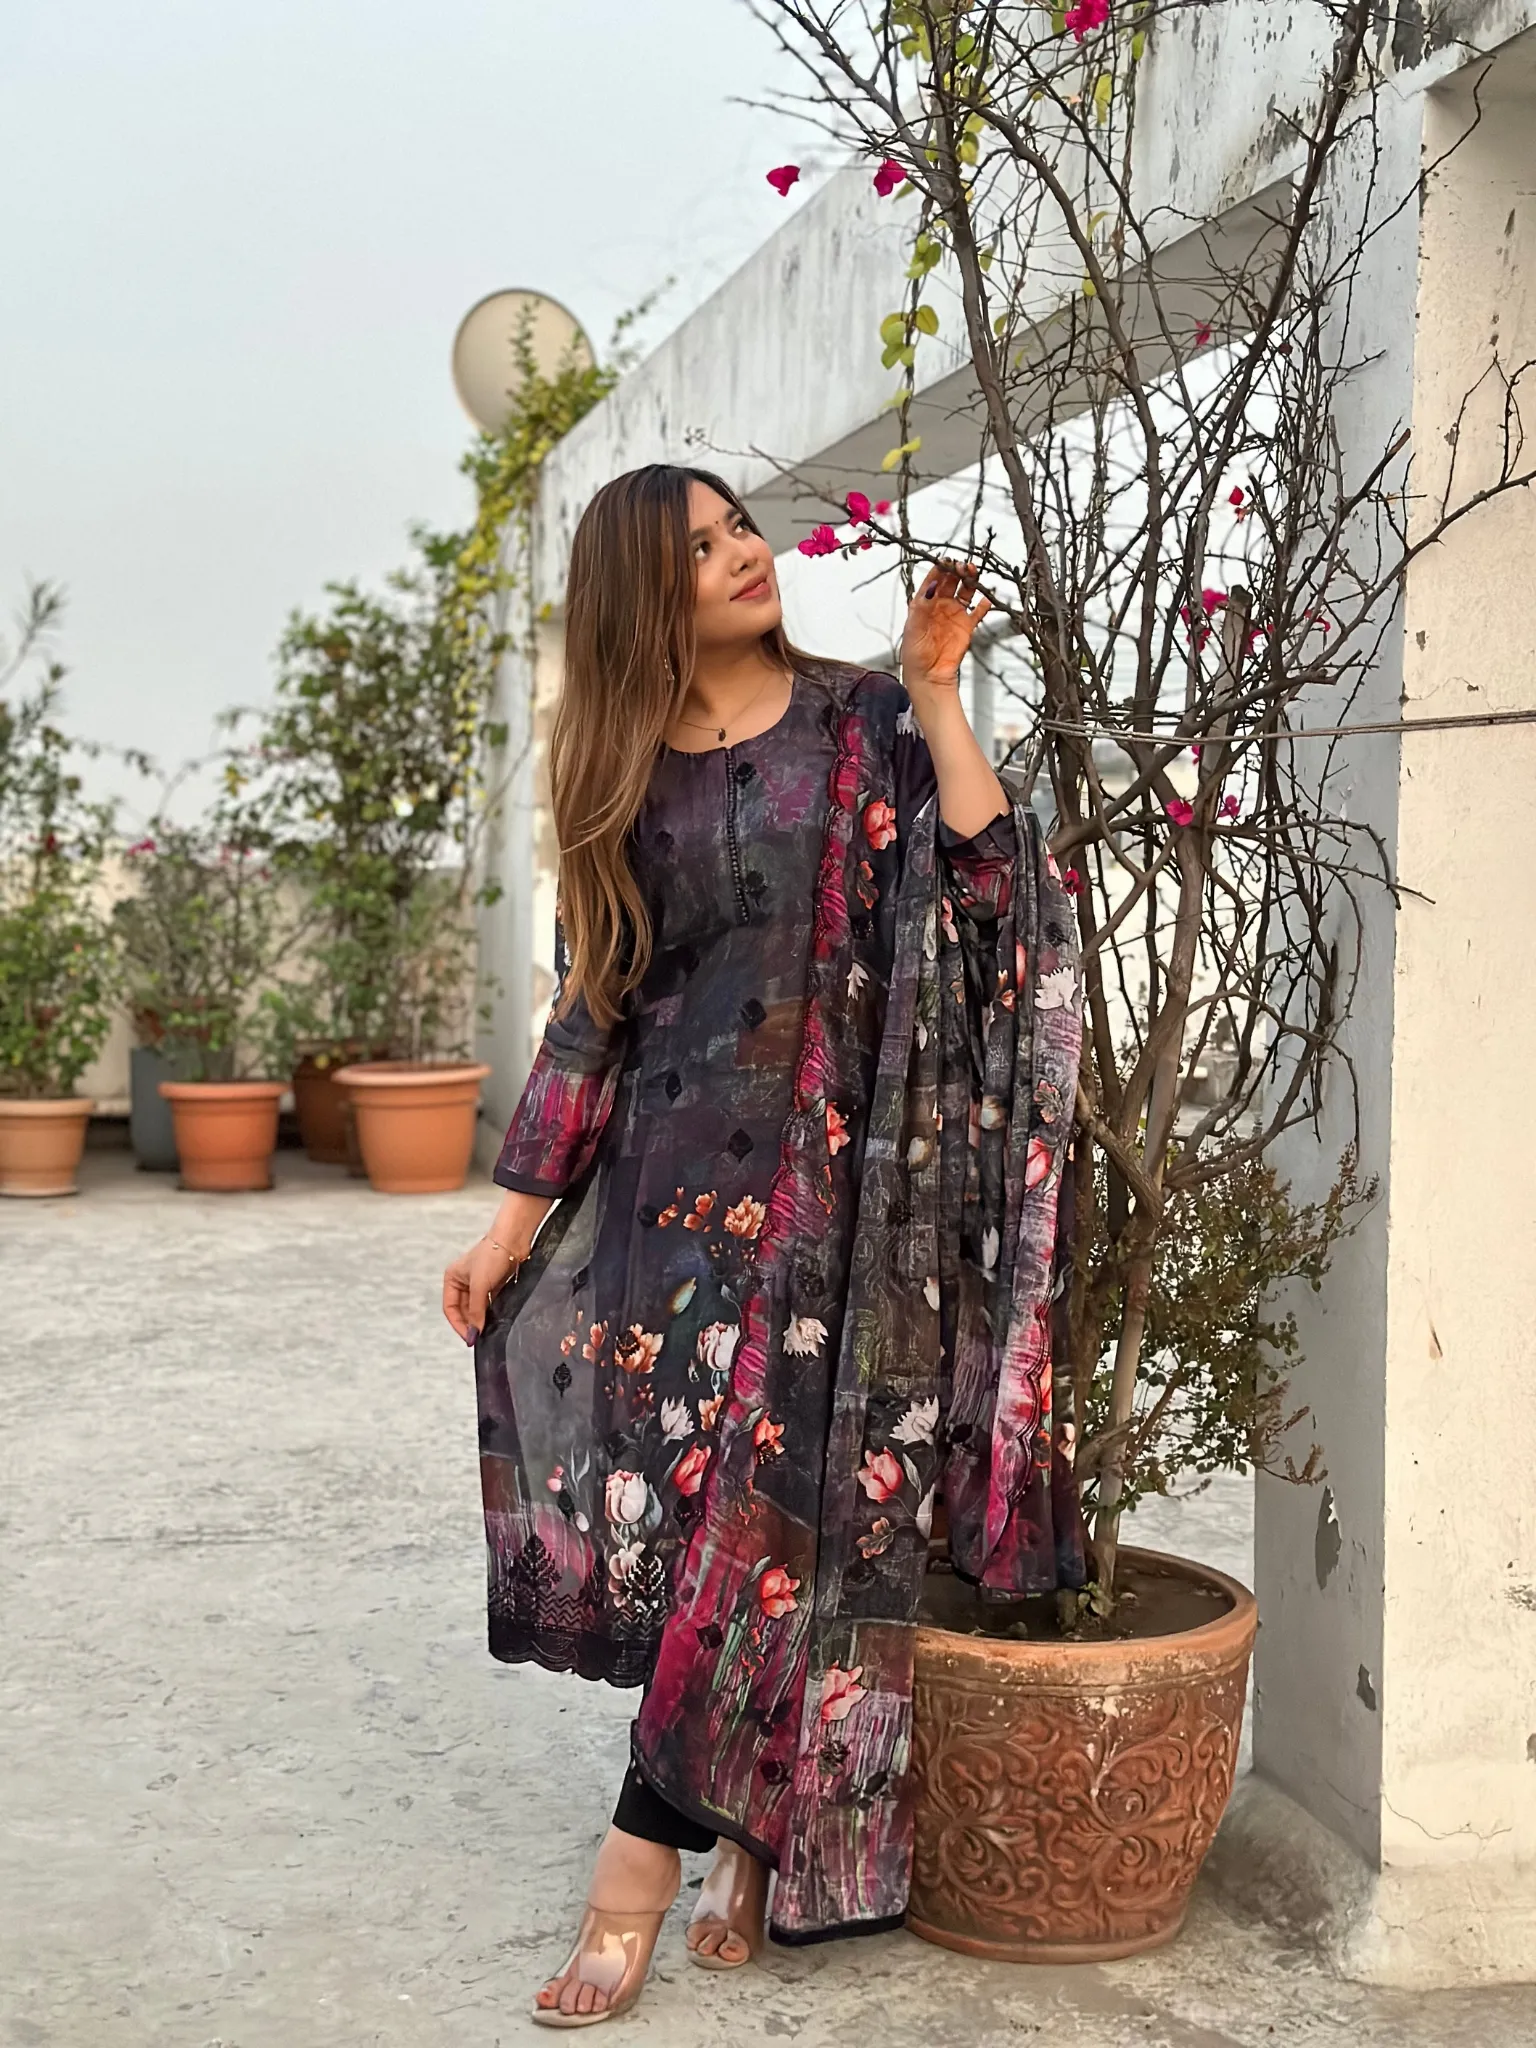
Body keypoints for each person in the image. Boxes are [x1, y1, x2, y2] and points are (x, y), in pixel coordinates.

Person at [442, 465, 1084, 2027]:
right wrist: (511, 1221)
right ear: (637, 598)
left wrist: (937, 696)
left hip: (848, 1208)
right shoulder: (617, 780)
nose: (743, 555)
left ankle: (631, 1878)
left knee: (776, 1527)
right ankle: (745, 1833)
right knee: (700, 1529)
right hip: (670, 1214)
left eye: (740, 528)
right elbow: (594, 1013)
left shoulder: (860, 720)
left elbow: (993, 881)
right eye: (701, 548)